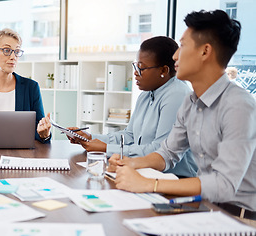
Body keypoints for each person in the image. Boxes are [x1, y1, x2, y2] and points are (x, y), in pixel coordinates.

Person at [109, 10, 256, 224]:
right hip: (206, 210)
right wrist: (130, 164)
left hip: (240, 221)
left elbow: (223, 185)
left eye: (183, 45)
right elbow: (167, 154)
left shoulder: (238, 106)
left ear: (205, 51)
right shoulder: (191, 102)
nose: (176, 55)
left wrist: (149, 184)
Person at [67, 36, 198, 178]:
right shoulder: (146, 94)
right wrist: (90, 138)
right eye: (136, 66)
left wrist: (106, 148)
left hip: (176, 180)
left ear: (164, 71)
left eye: (141, 68)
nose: (136, 73)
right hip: (147, 174)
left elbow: (159, 151)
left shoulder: (177, 95)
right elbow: (130, 135)